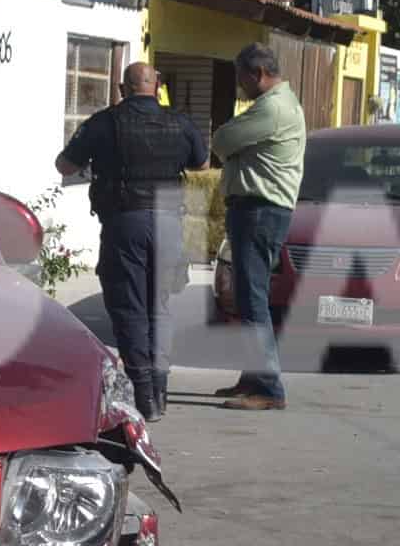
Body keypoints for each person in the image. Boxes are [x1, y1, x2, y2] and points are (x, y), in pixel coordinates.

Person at [57, 62, 206, 419]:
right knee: (160, 306)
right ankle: (161, 387)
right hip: (169, 221)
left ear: (123, 89)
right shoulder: (181, 122)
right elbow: (200, 163)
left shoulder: (104, 122)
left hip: (126, 222)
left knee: (130, 307)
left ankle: (145, 396)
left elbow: (64, 165)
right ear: (156, 86)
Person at [209, 41, 305, 411]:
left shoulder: (273, 108)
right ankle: (253, 377)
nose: (239, 86)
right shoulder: (275, 105)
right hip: (257, 209)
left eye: (241, 78)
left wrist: (232, 143)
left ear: (258, 74)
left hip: (260, 210)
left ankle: (267, 386)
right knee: (250, 296)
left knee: (253, 299)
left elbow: (222, 140)